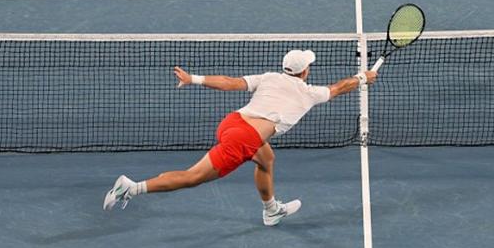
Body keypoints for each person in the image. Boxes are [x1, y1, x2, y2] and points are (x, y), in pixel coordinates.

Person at [103, 49, 378, 226]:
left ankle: (271, 210)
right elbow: (340, 87)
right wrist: (363, 77)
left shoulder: (270, 77)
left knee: (266, 158)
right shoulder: (309, 94)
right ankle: (131, 188)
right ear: (305, 71)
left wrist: (194, 79)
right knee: (192, 177)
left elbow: (231, 82)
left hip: (232, 122)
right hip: (242, 140)